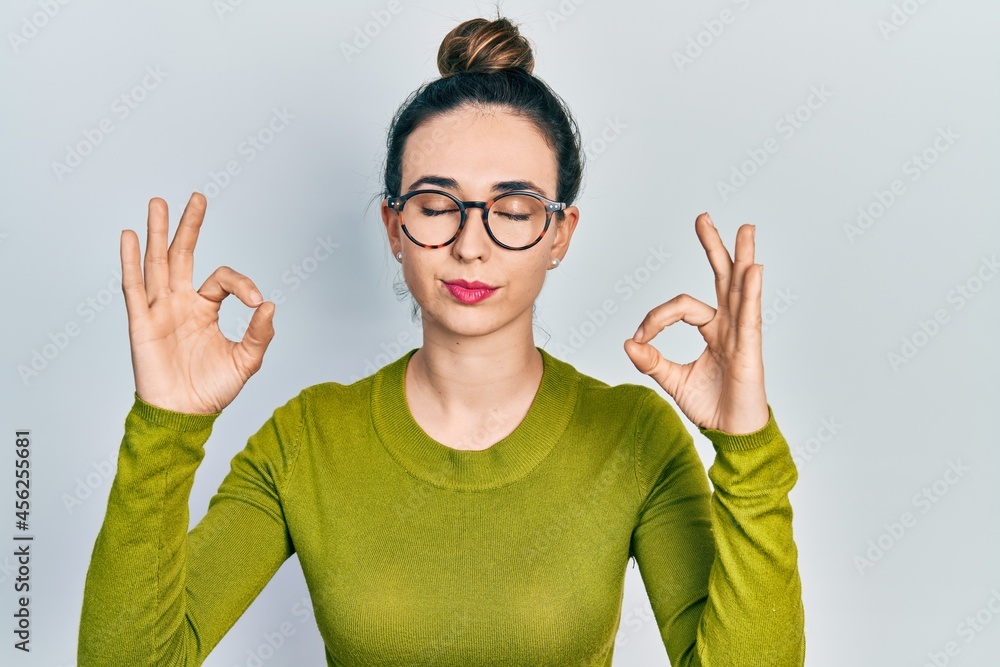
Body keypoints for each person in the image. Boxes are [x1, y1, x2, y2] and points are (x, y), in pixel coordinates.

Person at [77, 12, 805, 667]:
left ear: (559, 234)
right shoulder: (306, 439)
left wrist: (747, 447)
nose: (470, 245)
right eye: (436, 206)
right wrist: (165, 428)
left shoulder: (634, 437)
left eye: (513, 209)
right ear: (395, 228)